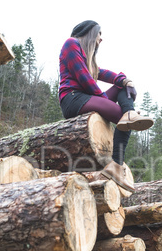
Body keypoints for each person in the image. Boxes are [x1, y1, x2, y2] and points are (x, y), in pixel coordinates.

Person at [59, 20, 153, 192]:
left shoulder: (88, 58)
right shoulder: (71, 43)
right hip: (72, 99)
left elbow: (102, 73)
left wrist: (124, 80)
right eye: (99, 33)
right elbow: (85, 80)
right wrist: (107, 101)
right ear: (89, 32)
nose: (101, 39)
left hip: (85, 97)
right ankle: (127, 118)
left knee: (123, 95)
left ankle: (128, 115)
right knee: (122, 117)